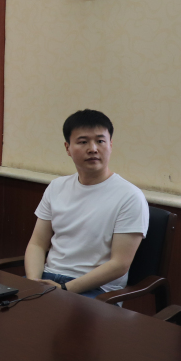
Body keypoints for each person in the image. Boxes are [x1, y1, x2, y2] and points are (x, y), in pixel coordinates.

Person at [24, 109, 149, 297]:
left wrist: (64, 289)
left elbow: (120, 264)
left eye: (100, 141)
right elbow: (37, 244)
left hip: (96, 290)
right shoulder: (56, 187)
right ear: (67, 148)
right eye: (83, 142)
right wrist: (34, 282)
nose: (93, 149)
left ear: (110, 145)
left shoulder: (130, 197)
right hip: (48, 278)